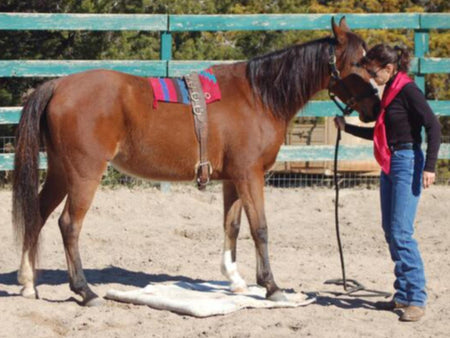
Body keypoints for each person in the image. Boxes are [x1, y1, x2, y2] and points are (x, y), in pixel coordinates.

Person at [334, 44, 441, 322]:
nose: (370, 76)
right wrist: (348, 128)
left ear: (389, 69)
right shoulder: (390, 92)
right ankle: (403, 293)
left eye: (372, 71)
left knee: (402, 232)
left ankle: (416, 298)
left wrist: (430, 167)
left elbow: (434, 125)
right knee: (389, 230)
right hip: (390, 161)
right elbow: (381, 134)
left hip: (407, 161)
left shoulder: (407, 91)